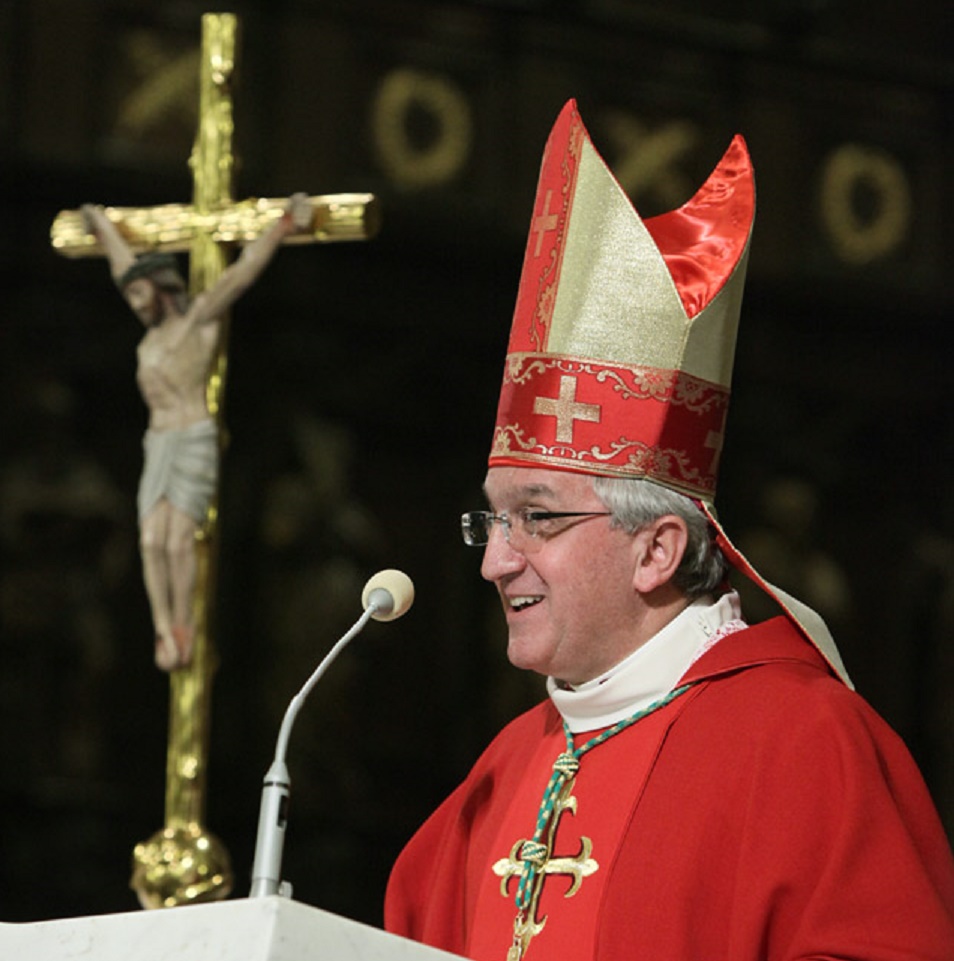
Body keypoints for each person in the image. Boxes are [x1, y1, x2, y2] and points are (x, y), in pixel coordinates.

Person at [384, 101, 954, 959]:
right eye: (494, 518)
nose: (497, 560)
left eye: (537, 517)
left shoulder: (804, 743)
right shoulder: (504, 768)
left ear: (658, 549)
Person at [81, 195, 312, 671]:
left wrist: (282, 226)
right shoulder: (152, 334)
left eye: (142, 294)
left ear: (162, 289)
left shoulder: (197, 322)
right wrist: (103, 228)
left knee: (177, 540)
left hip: (190, 436)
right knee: (151, 540)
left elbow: (242, 273)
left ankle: (184, 624)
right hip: (158, 440)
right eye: (133, 296)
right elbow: (123, 268)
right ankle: (163, 627)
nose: (136, 302)